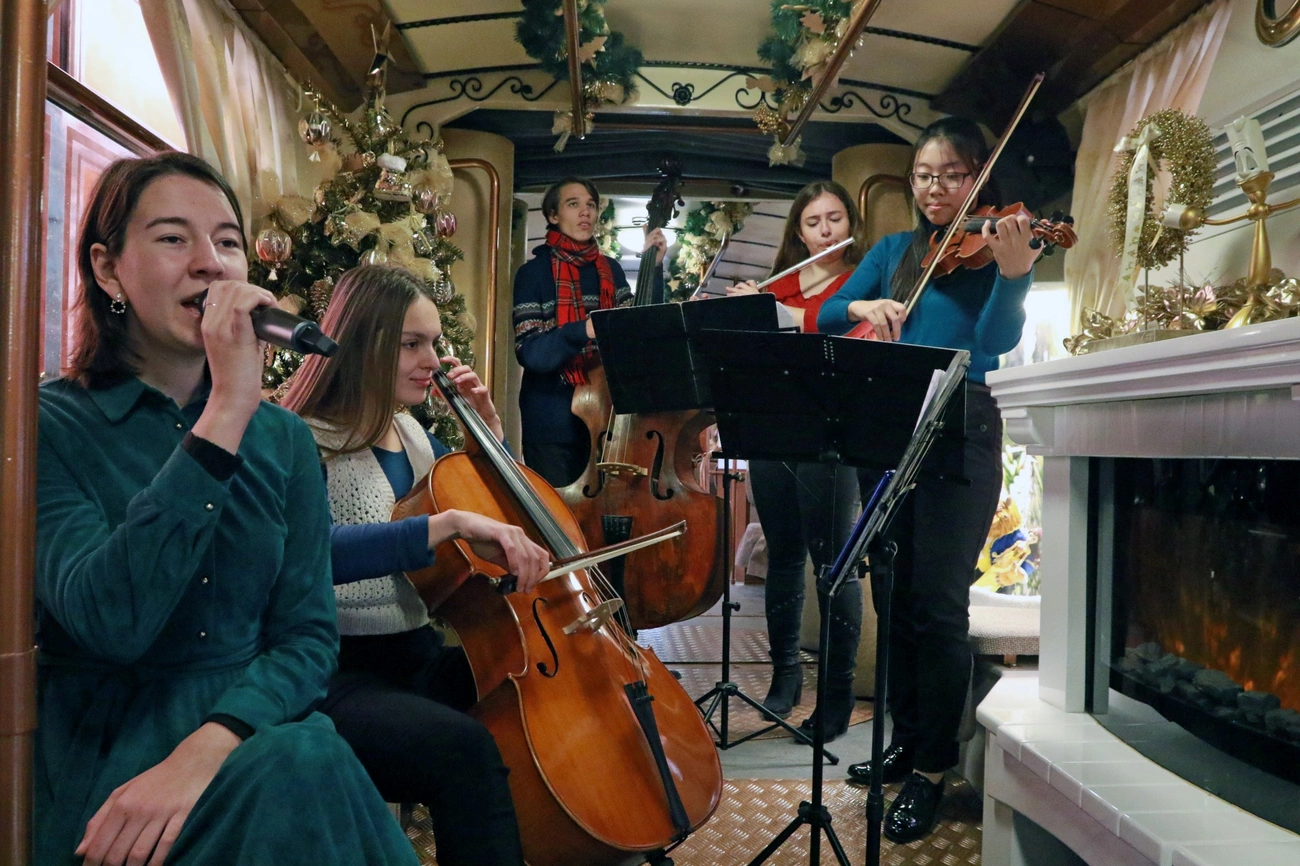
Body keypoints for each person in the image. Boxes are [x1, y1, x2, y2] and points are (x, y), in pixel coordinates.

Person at [34, 152, 418, 866]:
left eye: (228, 241)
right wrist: (227, 411)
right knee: (307, 764)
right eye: (173, 237)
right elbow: (111, 621)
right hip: (113, 756)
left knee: (305, 758)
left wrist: (210, 746)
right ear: (108, 269)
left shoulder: (283, 439)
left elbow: (307, 638)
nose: (210, 263)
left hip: (248, 733)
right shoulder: (44, 426)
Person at [280, 264, 551, 866]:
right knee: (463, 750)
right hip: (335, 672)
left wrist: (489, 435)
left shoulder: (412, 433)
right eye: (411, 344)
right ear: (361, 344)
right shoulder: (300, 438)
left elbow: (491, 511)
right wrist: (444, 525)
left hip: (414, 654)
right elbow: (308, 554)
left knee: (533, 686)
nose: (431, 360)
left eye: (433, 342)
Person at [818, 116, 1039, 843]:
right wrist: (863, 303)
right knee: (895, 598)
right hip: (889, 423)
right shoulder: (894, 252)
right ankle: (907, 739)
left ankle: (933, 768)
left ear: (978, 179)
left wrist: (1014, 276)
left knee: (938, 605)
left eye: (952, 174)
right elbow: (825, 315)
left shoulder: (999, 247)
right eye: (923, 174)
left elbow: (996, 342)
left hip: (962, 423)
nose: (935, 188)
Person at [721, 181, 867, 740]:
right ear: (798, 232)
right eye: (813, 222)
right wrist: (747, 311)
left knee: (834, 562)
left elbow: (849, 337)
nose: (826, 231)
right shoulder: (778, 283)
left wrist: (780, 314)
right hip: (774, 424)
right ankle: (785, 675)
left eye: (835, 219)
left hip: (832, 428)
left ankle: (836, 693)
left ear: (849, 222)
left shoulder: (859, 282)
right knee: (781, 554)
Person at [512, 176, 667, 487]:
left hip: (609, 420)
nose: (585, 212)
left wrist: (654, 269)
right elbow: (532, 353)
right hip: (551, 425)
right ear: (553, 215)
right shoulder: (532, 274)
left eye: (591, 205)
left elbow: (639, 331)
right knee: (558, 512)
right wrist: (582, 329)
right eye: (573, 204)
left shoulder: (612, 270)